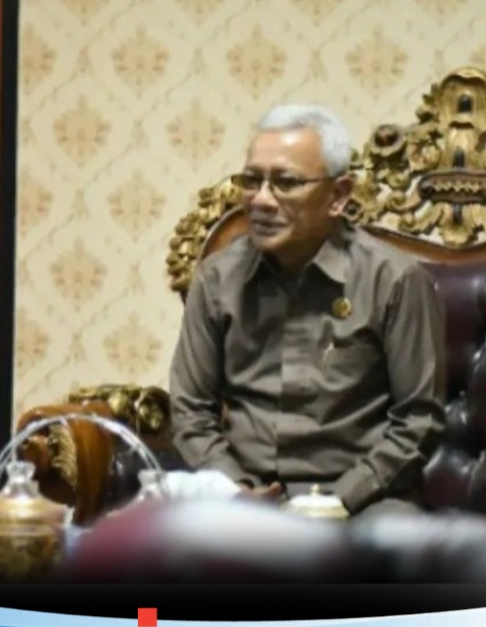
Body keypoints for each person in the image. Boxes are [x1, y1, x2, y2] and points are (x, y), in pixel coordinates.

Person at [168, 103, 446, 519]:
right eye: (252, 180)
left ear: (338, 195)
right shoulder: (217, 278)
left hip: (362, 500)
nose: (261, 200)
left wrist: (340, 500)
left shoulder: (394, 280)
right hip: (245, 494)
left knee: (399, 539)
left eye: (286, 182)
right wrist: (236, 490)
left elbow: (418, 420)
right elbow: (191, 410)